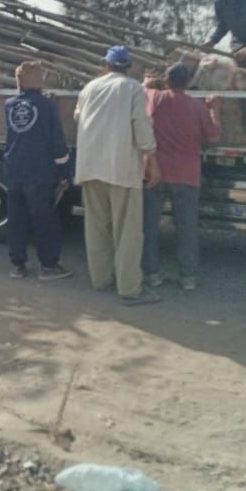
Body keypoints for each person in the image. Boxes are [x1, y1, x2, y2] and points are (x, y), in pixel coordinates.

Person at [73, 45, 161, 305]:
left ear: (106, 64)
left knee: (97, 227)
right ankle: (129, 289)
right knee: (127, 232)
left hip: (90, 166)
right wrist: (152, 160)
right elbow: (141, 125)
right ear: (129, 66)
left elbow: (80, 118)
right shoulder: (133, 88)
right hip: (120, 167)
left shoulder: (89, 88)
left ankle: (101, 280)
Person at [141, 63, 221, 291]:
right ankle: (187, 277)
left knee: (149, 226)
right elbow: (214, 137)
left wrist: (148, 82)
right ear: (188, 83)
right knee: (186, 228)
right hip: (187, 176)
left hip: (154, 173)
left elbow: (143, 88)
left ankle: (152, 274)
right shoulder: (197, 107)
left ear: (166, 81)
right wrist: (215, 108)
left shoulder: (154, 98)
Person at [3, 60, 73, 281]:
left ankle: (17, 265)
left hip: (13, 169)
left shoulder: (9, 105)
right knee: (44, 219)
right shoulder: (47, 105)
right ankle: (48, 266)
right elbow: (57, 141)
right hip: (39, 171)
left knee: (17, 218)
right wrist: (65, 171)